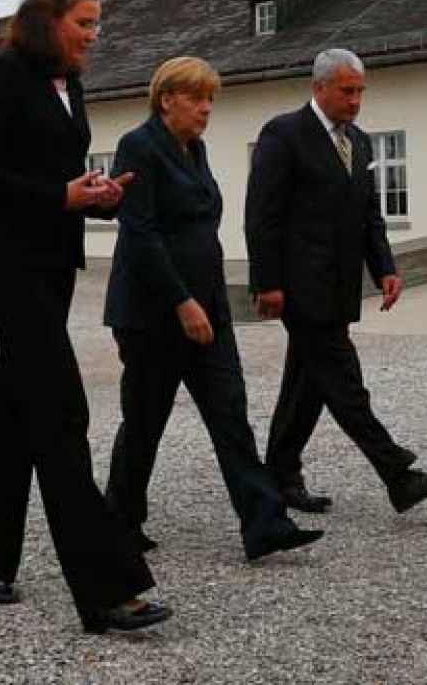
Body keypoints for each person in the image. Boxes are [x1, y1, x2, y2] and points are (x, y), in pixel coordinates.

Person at [0, 0, 170, 633]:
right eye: (85, 23)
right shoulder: (6, 72)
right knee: (61, 410)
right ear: (49, 18)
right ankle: (108, 587)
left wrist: (95, 197)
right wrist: (60, 197)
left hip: (53, 261)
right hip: (7, 260)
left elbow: (55, 173)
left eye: (98, 24)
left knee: (16, 410)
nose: (93, 36)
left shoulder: (68, 83)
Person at [102, 57, 324, 561]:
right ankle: (119, 522)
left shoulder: (195, 150)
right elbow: (140, 236)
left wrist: (211, 304)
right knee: (144, 421)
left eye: (210, 100)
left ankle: (265, 524)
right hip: (152, 315)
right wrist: (181, 302)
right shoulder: (139, 147)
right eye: (197, 98)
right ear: (166, 100)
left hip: (209, 309)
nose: (206, 109)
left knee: (230, 413)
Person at [245, 48, 427, 516]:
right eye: (347, 90)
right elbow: (261, 216)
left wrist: (385, 267)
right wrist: (267, 282)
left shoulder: (358, 142)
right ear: (319, 88)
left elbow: (368, 215)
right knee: (344, 382)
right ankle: (397, 474)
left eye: (360, 90)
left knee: (308, 383)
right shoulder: (284, 134)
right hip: (300, 287)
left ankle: (278, 474)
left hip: (339, 285)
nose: (356, 100)